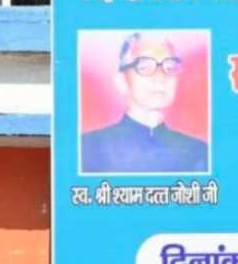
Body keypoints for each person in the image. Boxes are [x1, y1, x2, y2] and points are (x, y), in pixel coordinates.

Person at [82, 32, 208, 173]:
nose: (160, 77)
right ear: (121, 81)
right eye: (145, 67)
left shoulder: (199, 152)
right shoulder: (87, 148)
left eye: (169, 67)